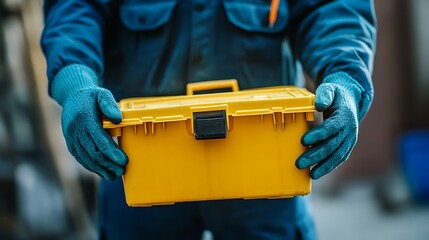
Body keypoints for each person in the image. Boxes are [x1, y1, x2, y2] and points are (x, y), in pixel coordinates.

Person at [41, 0, 376, 239]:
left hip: (266, 171)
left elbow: (331, 7)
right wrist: (75, 83)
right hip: (140, 165)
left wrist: (344, 77)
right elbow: (76, 7)